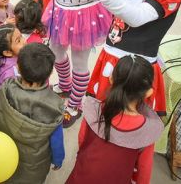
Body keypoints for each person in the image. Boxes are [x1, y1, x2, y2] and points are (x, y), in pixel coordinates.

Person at [66, 56, 163, 184]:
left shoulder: (94, 110)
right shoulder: (146, 130)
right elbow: (143, 170)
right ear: (149, 92)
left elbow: (82, 140)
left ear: (111, 79)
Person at [0, 43, 65, 183]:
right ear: (50, 73)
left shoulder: (7, 88)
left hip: (4, 155)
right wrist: (58, 159)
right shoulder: (54, 105)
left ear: (18, 67)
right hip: (34, 167)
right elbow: (56, 141)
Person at [0, 24, 26, 110]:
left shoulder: (3, 59)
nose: (24, 41)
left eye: (21, 36)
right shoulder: (12, 74)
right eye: (18, 41)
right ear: (8, 52)